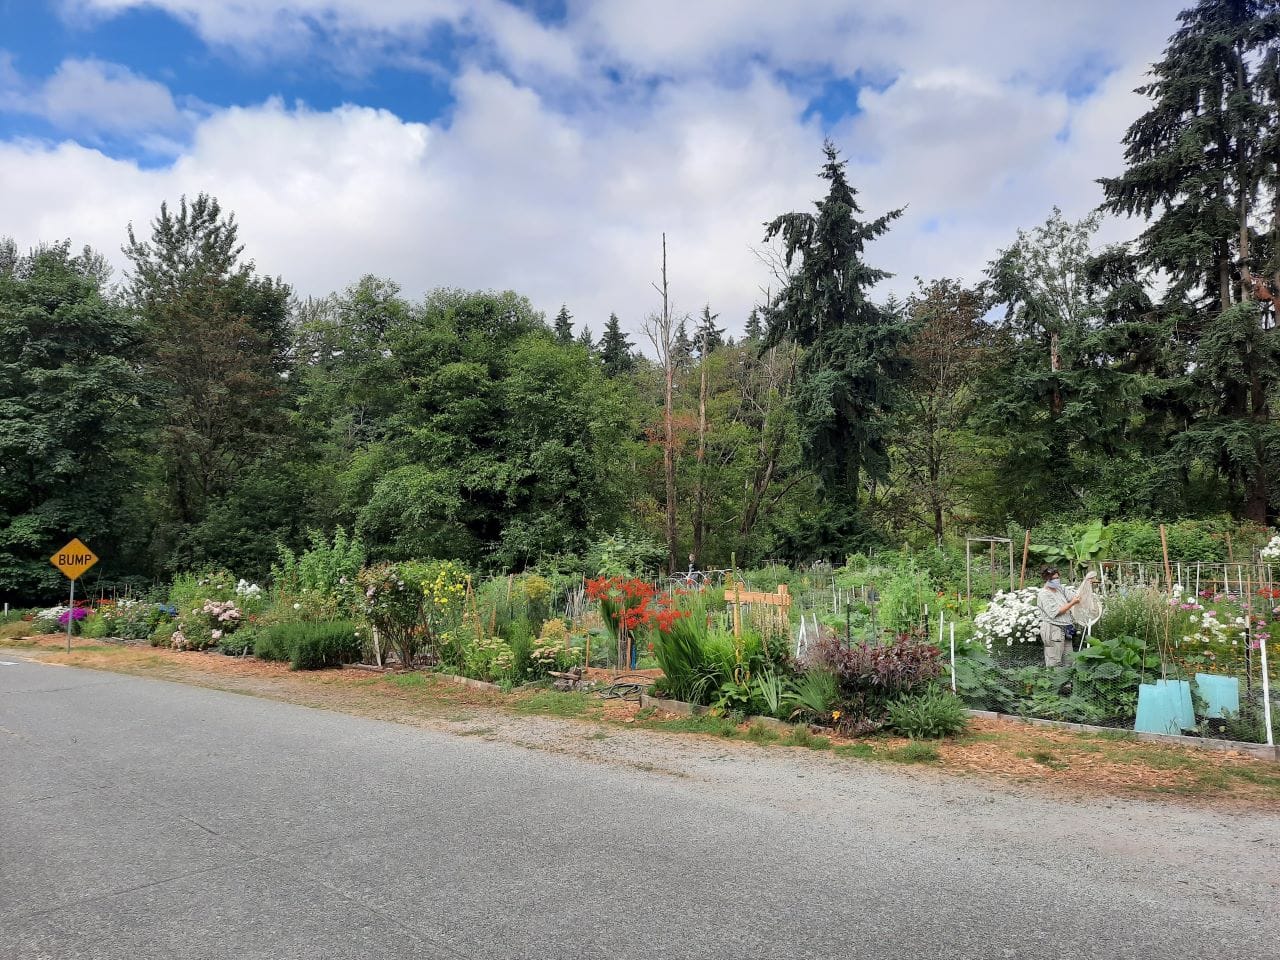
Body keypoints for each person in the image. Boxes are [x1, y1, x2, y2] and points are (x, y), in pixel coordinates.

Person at [1036, 566, 1094, 667]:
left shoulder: (1060, 588)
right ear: (1046, 579)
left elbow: (1075, 597)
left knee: (1069, 660)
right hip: (1053, 629)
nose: (1056, 580)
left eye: (1057, 577)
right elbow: (1055, 612)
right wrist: (1072, 603)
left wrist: (1086, 584)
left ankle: (1067, 683)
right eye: (1053, 578)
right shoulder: (1044, 594)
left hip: (1066, 628)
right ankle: (1054, 682)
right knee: (1054, 662)